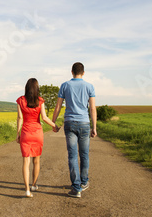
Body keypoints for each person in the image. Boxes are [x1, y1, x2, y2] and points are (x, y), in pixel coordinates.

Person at [52, 62, 97, 198]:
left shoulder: (65, 85)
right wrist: (94, 127)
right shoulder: (89, 86)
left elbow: (58, 106)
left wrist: (53, 123)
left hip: (70, 123)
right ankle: (84, 182)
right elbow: (92, 108)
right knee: (84, 155)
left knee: (72, 155)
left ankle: (76, 188)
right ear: (83, 73)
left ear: (71, 72)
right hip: (84, 123)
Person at [16, 78, 58, 198]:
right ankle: (34, 185)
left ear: (26, 88)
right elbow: (44, 118)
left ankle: (27, 190)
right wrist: (55, 126)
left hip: (25, 133)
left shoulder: (20, 100)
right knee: (36, 161)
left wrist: (18, 133)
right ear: (37, 88)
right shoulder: (40, 101)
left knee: (26, 161)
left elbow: (20, 118)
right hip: (37, 134)